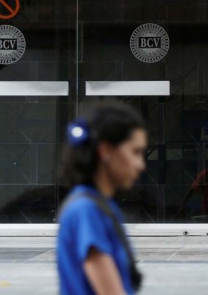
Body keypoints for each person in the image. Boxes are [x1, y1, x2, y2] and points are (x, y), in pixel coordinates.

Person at [57, 103, 148, 295]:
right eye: (135, 152)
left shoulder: (98, 205)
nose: (141, 165)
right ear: (106, 150)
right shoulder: (87, 210)